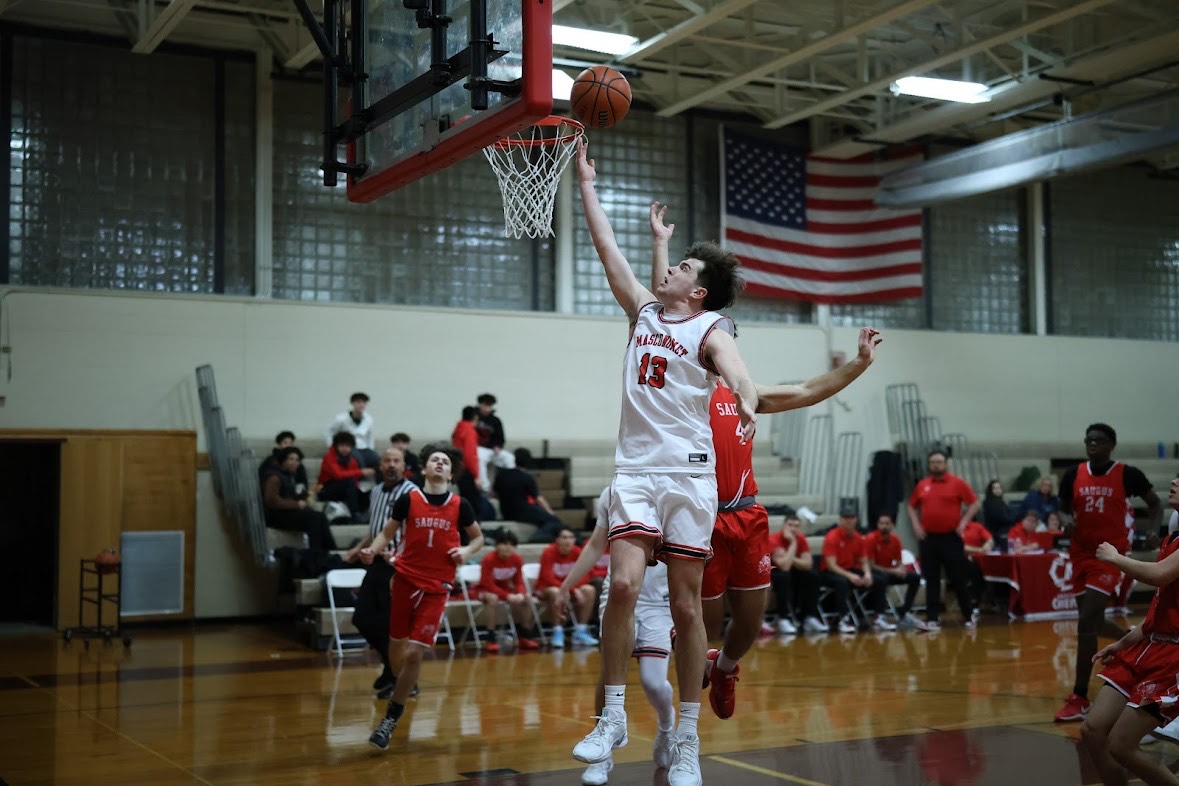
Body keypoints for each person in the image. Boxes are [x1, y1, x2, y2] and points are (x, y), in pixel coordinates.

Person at [570, 137, 758, 786]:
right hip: (637, 474)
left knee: (685, 610)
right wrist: (586, 183)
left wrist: (748, 394)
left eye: (679, 264)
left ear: (699, 292)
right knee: (621, 585)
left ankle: (686, 738)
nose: (668, 267)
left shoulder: (708, 330)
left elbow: (732, 366)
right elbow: (605, 249)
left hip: (690, 478)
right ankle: (613, 717)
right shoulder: (644, 314)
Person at [701, 323, 883, 720]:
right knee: (707, 626)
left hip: (746, 516)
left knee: (749, 623)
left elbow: (806, 391)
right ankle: (694, 648)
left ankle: (725, 668)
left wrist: (859, 363)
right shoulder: (682, 396)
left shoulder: (744, 392)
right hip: (703, 520)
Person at [362, 447, 484, 751]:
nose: (440, 464)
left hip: (437, 587)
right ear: (424, 469)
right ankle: (397, 679)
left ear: (451, 473)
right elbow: (387, 532)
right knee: (396, 647)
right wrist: (372, 550)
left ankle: (391, 717)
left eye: (445, 462)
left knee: (415, 654)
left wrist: (466, 551)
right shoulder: (409, 499)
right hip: (404, 580)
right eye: (434, 460)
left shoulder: (461, 504)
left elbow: (479, 538)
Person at [556, 489, 676, 784]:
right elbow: (597, 545)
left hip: (658, 599)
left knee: (653, 682)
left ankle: (666, 727)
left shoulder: (677, 489)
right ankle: (603, 756)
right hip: (619, 591)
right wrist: (566, 586)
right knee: (609, 674)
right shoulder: (613, 492)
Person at [1053, 423, 1162, 723]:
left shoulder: (1128, 473)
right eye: (1088, 440)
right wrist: (1065, 520)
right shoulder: (1074, 474)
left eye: (1098, 440)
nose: (1092, 444)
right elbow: (1061, 507)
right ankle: (1133, 639)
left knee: (1086, 620)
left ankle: (1079, 697)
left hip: (1109, 555)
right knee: (1093, 622)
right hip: (1080, 553)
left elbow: (1155, 505)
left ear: (1111, 445)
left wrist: (1153, 532)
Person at [1077, 475, 1179, 786]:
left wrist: (1116, 558)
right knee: (1092, 730)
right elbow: (1157, 612)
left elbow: (1159, 575)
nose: (1174, 480)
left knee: (1121, 745)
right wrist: (1122, 643)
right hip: (1148, 645)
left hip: (1173, 656)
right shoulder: (1172, 539)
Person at [345, 447, 418, 698]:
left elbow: (417, 531)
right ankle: (391, 668)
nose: (391, 465)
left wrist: (401, 555)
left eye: (396, 461)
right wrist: (358, 548)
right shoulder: (375, 491)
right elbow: (377, 529)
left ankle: (405, 681)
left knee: (394, 627)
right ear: (380, 466)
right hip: (376, 562)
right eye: (387, 460)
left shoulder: (412, 493)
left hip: (398, 567)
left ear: (404, 465)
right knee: (362, 619)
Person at [906, 449, 981, 630]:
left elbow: (975, 503)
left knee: (958, 578)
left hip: (951, 538)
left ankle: (968, 616)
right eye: (933, 462)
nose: (936, 465)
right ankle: (932, 619)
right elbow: (910, 506)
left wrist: (963, 522)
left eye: (939, 462)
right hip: (928, 539)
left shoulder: (957, 483)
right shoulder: (923, 485)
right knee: (931, 578)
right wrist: (916, 525)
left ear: (946, 464)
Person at [820, 506, 892, 634]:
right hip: (830, 572)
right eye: (846, 518)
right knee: (842, 582)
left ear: (856, 520)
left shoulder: (858, 537)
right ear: (840, 520)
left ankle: (878, 616)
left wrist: (868, 574)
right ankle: (843, 619)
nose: (849, 521)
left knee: (880, 579)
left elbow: (863, 560)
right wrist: (850, 576)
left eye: (852, 518)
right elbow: (831, 565)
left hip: (850, 569)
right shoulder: (832, 537)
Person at [472, 530, 539, 653]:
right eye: (504, 544)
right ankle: (491, 637)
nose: (508, 547)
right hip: (484, 590)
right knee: (493, 599)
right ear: (497, 546)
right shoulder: (488, 559)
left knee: (526, 598)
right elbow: (488, 584)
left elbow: (519, 581)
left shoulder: (517, 559)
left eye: (511, 545)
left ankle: (525, 634)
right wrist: (507, 596)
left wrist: (520, 593)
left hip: (504, 589)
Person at [260, 446, 336, 553]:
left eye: (297, 460)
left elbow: (289, 497)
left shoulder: (289, 476)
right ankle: (316, 553)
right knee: (313, 518)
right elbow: (271, 501)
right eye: (291, 459)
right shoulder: (274, 477)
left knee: (321, 516)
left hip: (287, 513)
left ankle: (331, 551)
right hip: (276, 516)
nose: (295, 463)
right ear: (284, 460)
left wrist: (307, 494)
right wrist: (296, 504)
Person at [534, 527, 598, 648]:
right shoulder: (548, 552)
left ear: (574, 540)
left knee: (589, 590)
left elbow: (586, 574)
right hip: (547, 588)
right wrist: (571, 589)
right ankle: (557, 631)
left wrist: (572, 589)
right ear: (557, 540)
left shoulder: (578, 552)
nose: (567, 541)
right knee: (555, 592)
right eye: (564, 537)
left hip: (569, 589)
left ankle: (581, 630)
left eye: (570, 537)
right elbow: (547, 577)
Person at [864, 514, 926, 631]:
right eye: (881, 523)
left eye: (887, 523)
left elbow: (899, 562)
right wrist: (893, 571)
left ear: (892, 525)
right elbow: (871, 565)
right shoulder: (871, 539)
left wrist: (901, 570)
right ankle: (879, 615)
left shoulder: (895, 540)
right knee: (882, 579)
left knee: (915, 577)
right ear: (877, 525)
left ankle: (905, 611)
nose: (884, 526)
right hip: (874, 573)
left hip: (889, 572)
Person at [768, 514, 826, 635]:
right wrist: (793, 543)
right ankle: (783, 618)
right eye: (790, 525)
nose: (793, 529)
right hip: (774, 573)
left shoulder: (801, 538)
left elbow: (808, 564)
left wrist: (790, 557)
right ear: (784, 525)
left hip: (792, 570)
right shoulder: (774, 539)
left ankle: (809, 617)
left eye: (796, 526)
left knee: (812, 576)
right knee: (783, 577)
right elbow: (784, 566)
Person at [491, 448, 564, 543]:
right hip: (522, 511)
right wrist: (550, 512)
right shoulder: (526, 477)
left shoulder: (501, 474)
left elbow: (494, 494)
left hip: (506, 512)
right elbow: (538, 498)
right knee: (554, 521)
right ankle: (539, 536)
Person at [316, 431, 375, 520]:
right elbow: (338, 475)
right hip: (326, 489)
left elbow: (355, 479)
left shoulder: (351, 459)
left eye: (348, 446)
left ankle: (363, 514)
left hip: (345, 489)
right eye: (342, 445)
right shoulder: (329, 457)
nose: (345, 448)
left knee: (367, 493)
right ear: (336, 446)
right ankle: (355, 514)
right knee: (349, 482)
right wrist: (361, 472)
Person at [325, 392, 378, 469]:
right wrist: (331, 447)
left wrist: (370, 449)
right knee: (359, 460)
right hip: (349, 447)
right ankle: (360, 476)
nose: (361, 405)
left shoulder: (368, 419)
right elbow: (328, 432)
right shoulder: (341, 418)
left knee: (377, 459)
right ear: (352, 403)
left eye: (364, 403)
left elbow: (370, 436)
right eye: (359, 402)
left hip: (364, 447)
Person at [475, 393, 506, 492]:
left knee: (509, 458)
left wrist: (498, 446)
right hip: (478, 449)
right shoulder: (474, 419)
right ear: (480, 404)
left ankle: (508, 486)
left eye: (489, 405)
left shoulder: (495, 420)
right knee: (480, 458)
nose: (487, 408)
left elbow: (500, 437)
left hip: (492, 450)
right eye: (485, 405)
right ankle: (485, 488)